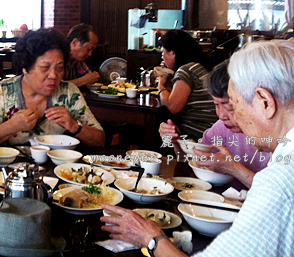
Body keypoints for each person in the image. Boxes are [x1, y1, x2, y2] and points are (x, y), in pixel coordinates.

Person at [102, 40, 294, 257]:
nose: (226, 116)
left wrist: (151, 238)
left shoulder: (279, 184)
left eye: (234, 105)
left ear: (265, 102)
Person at [0, 28, 105, 147]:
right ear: (25, 67)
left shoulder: (69, 92)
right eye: (45, 67)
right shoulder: (2, 92)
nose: (54, 75)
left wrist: (74, 126)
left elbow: (100, 139)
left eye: (59, 68)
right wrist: (11, 126)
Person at [159, 60, 270, 188]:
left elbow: (279, 194)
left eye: (229, 107)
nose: (221, 115)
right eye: (216, 105)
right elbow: (194, 160)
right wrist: (177, 143)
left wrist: (234, 168)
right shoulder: (221, 128)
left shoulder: (273, 136)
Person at [156, 30, 217, 139]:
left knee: (159, 124)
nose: (162, 58)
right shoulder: (198, 66)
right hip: (211, 129)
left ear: (173, 53)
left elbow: (173, 106)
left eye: (163, 53)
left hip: (197, 133)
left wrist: (161, 83)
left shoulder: (186, 70)